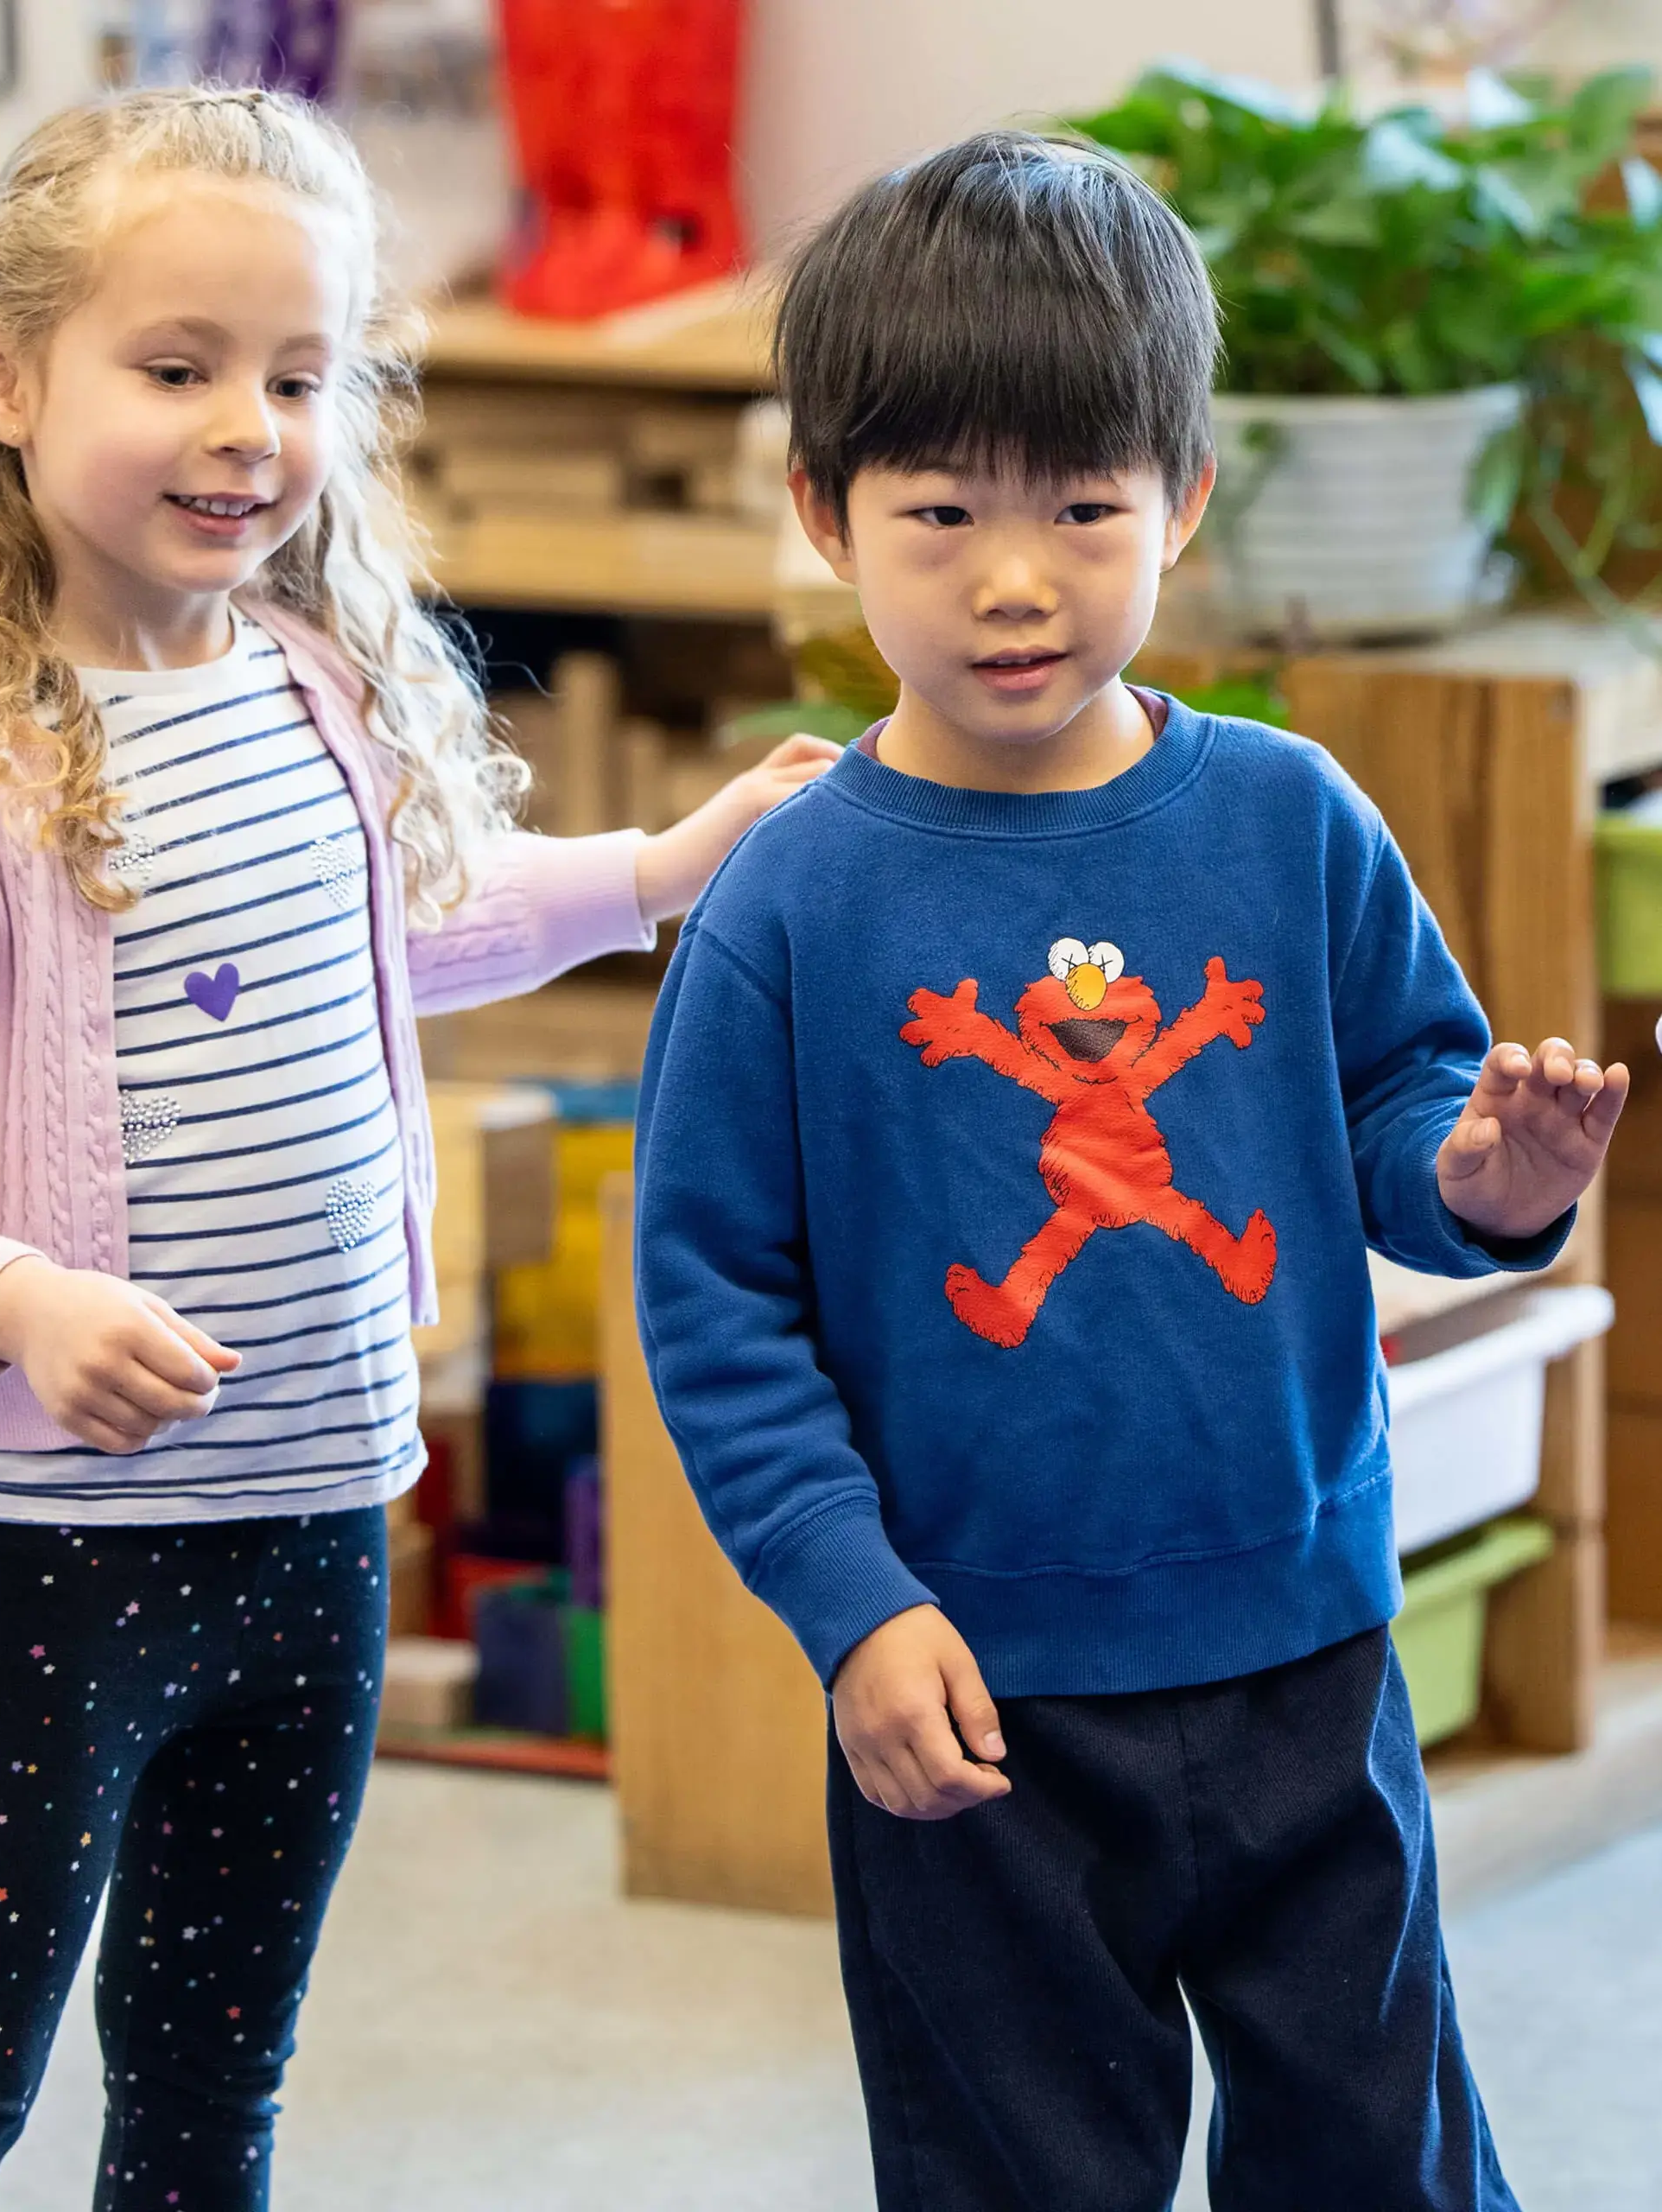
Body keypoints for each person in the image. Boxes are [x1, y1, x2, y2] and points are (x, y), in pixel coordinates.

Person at [0, 85, 834, 2209]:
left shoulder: (311, 688)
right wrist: (16, 1299)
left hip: (318, 1516)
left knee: (211, 2084)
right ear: (1, 377)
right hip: (42, 1562)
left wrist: (661, 865)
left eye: (299, 375)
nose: (248, 424)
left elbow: (402, 935)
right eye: (177, 367)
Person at [633, 130, 1629, 2212]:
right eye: (941, 513)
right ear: (824, 514)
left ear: (1179, 494)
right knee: (1021, 2170)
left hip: (1299, 1641)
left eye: (1083, 507)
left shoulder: (1287, 816)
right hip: (967, 1688)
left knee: (1377, 2154)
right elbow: (717, 1299)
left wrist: (1492, 1173)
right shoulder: (788, 904)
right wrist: (851, 1603)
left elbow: (1403, 1127)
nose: (1016, 577)